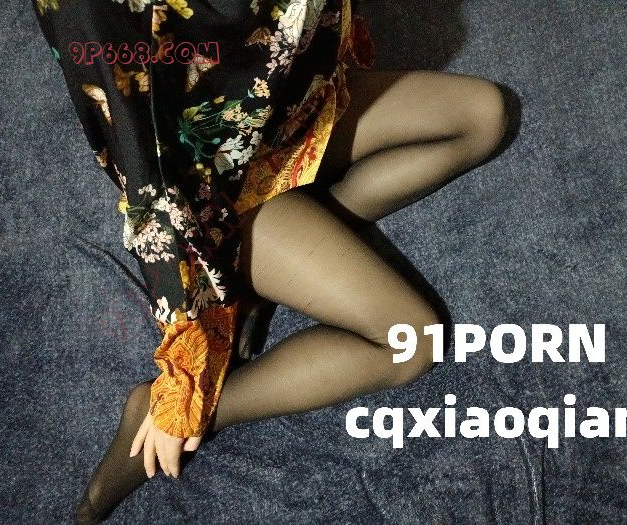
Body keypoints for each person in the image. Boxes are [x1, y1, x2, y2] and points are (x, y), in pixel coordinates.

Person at [31, 0, 511, 522]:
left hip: (286, 112)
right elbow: (149, 183)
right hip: (214, 195)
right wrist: (184, 389)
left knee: (485, 116)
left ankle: (282, 259)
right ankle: (205, 406)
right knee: (412, 341)